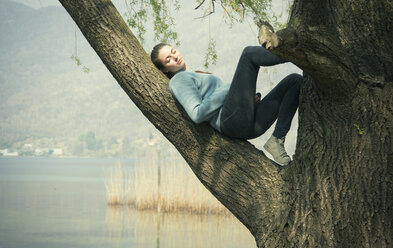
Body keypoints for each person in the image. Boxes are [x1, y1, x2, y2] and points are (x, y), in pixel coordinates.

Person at [150, 31, 302, 165]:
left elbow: (224, 98)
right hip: (229, 122)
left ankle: (277, 139)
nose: (174, 57)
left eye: (173, 51)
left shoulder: (194, 73)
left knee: (295, 81)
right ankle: (296, 53)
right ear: (164, 70)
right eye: (168, 59)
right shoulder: (179, 80)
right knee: (248, 54)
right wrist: (229, 88)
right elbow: (196, 114)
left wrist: (248, 100)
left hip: (249, 125)